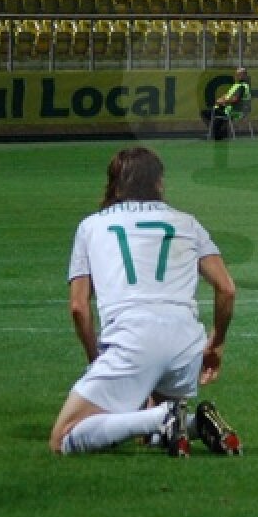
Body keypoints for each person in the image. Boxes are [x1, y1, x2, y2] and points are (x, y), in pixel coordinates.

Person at [49, 147, 240, 456]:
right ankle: (192, 425)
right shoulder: (187, 223)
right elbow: (227, 288)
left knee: (63, 439)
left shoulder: (90, 227)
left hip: (132, 337)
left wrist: (94, 357)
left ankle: (163, 417)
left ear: (114, 184)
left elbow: (79, 306)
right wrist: (215, 343)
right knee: (148, 431)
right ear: (159, 183)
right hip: (185, 343)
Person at [202, 67, 252, 140]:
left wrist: (223, 101)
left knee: (205, 113)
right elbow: (228, 95)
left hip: (232, 111)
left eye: (239, 74)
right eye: (237, 74)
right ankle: (219, 132)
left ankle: (218, 133)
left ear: (244, 75)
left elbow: (235, 100)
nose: (237, 76)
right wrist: (222, 99)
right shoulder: (239, 85)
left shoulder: (241, 86)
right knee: (216, 115)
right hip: (233, 110)